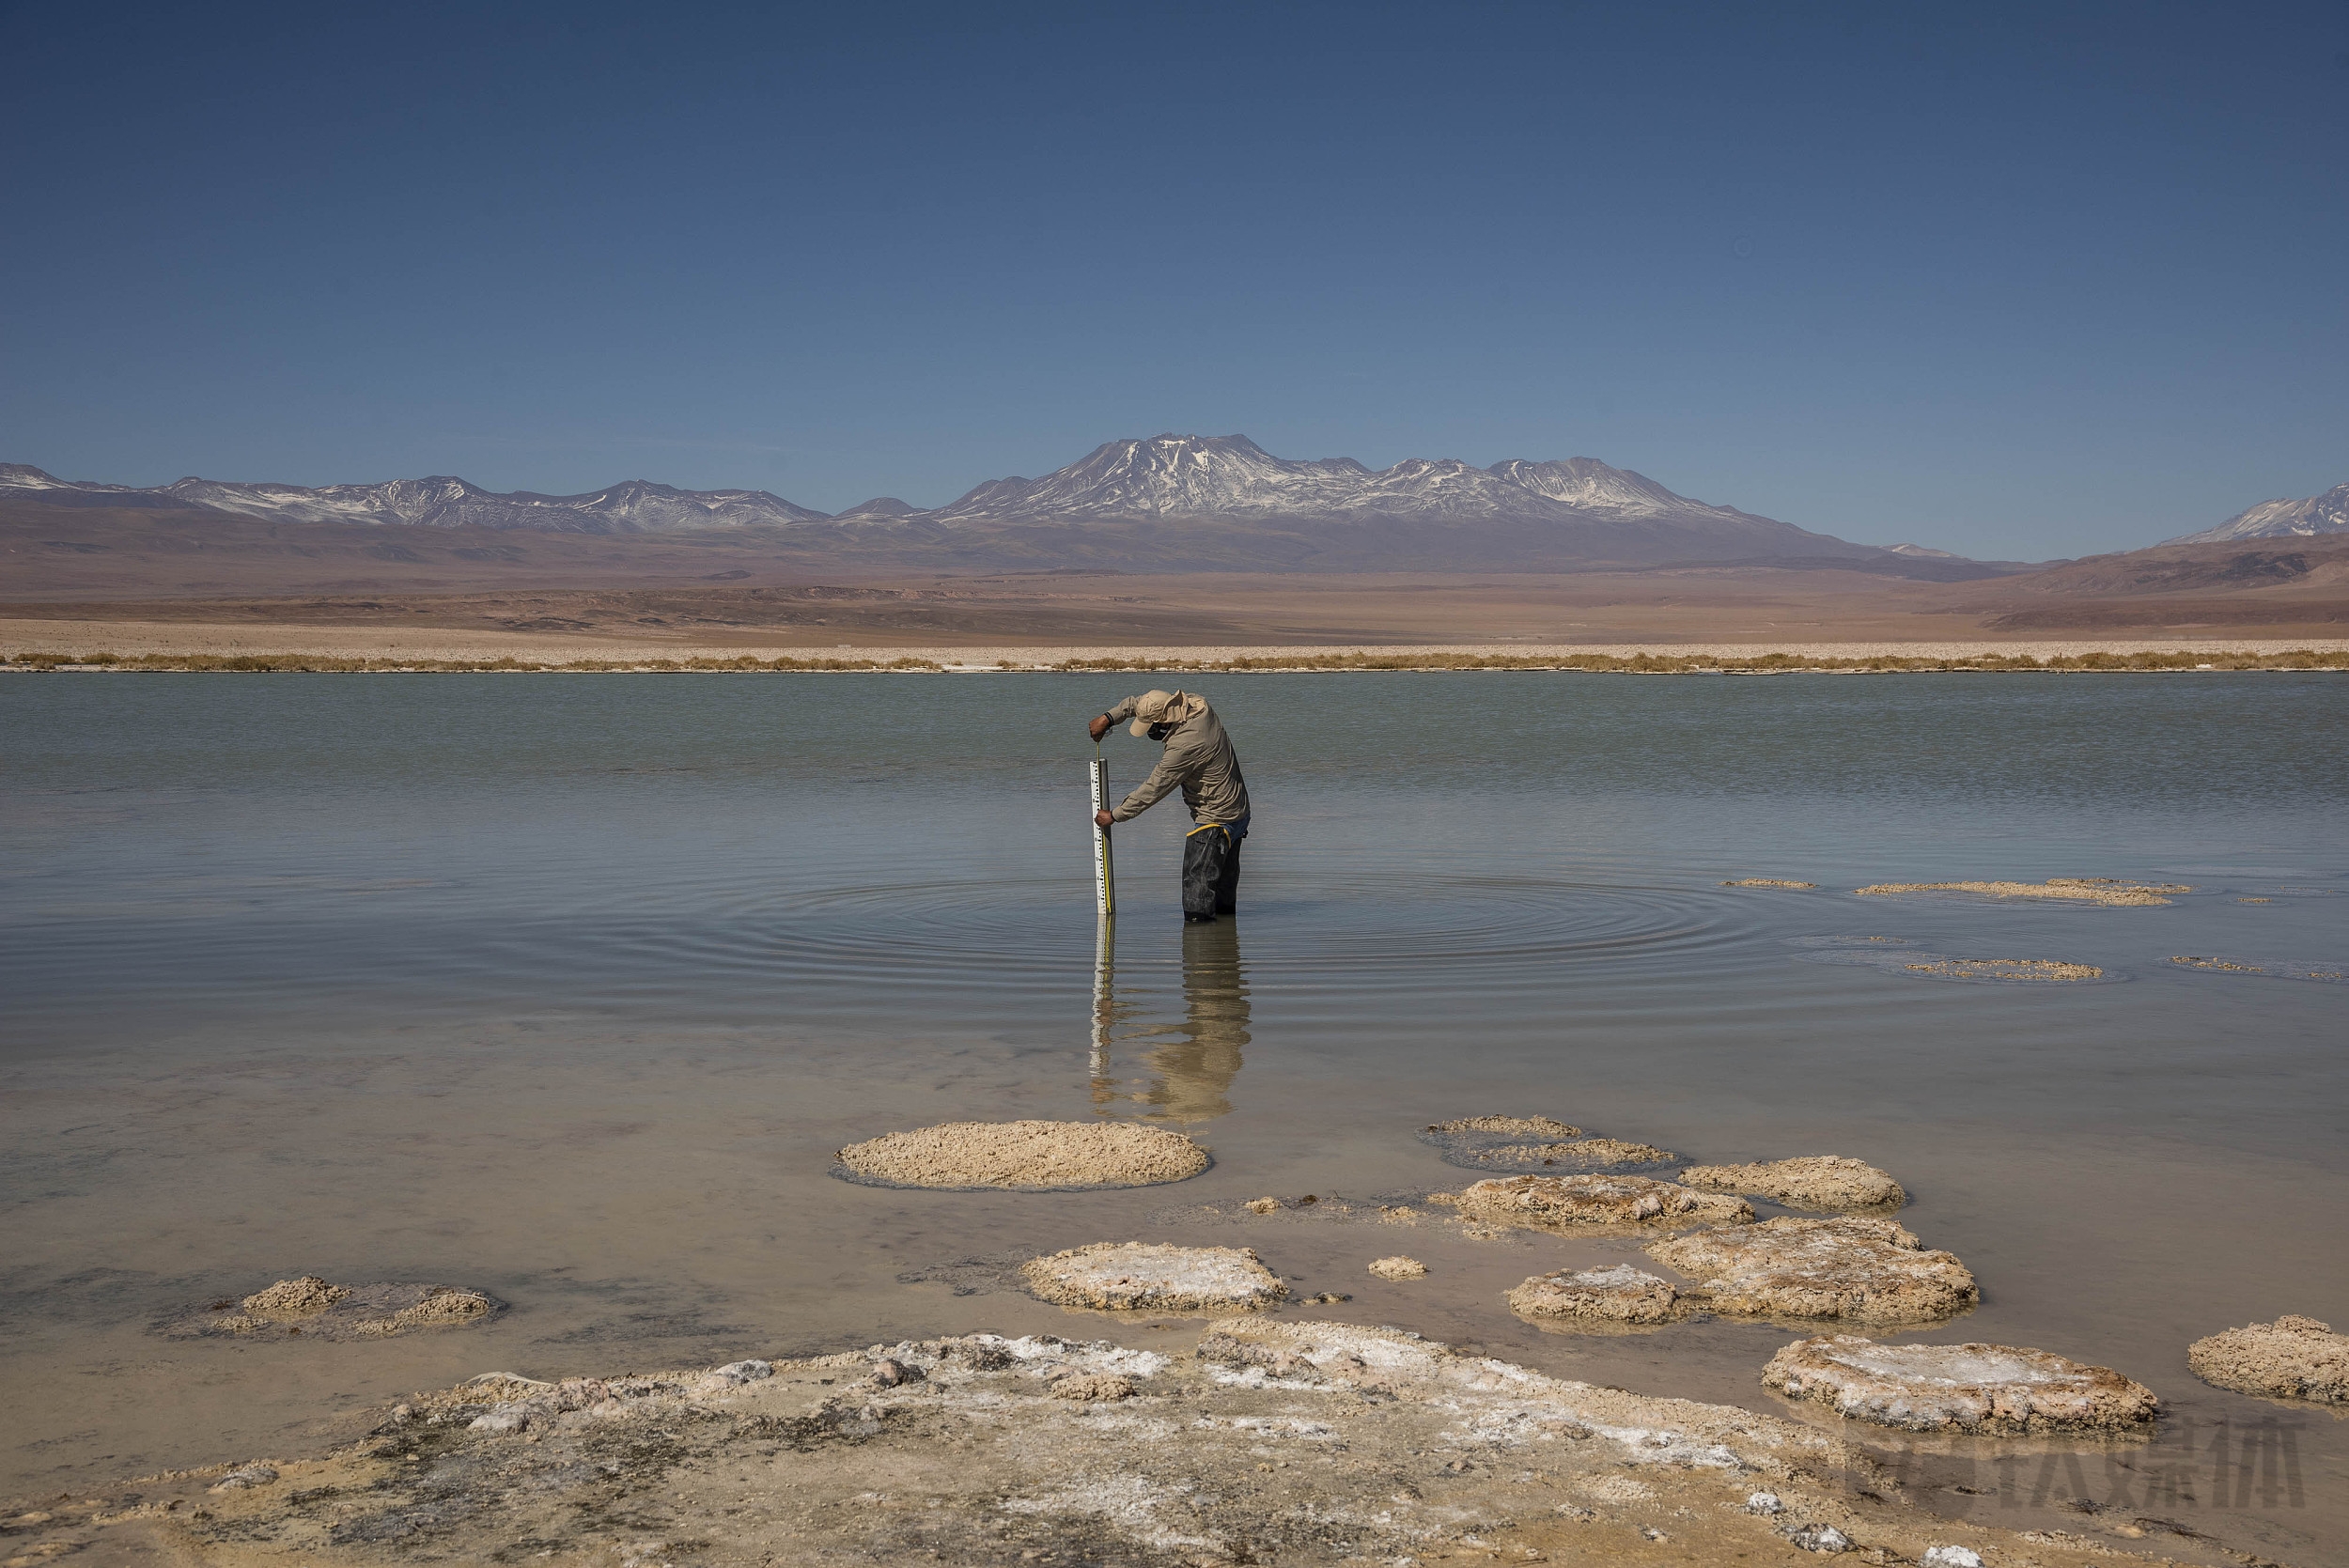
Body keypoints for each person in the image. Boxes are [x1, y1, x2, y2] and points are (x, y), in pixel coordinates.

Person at [1087, 689, 1251, 922]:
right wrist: (1109, 718)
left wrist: (1115, 815)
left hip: (1215, 822)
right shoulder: (1198, 706)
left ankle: (1200, 940)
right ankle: (1225, 941)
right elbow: (1139, 703)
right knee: (1223, 906)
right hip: (1239, 812)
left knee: (1197, 908)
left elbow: (1154, 788)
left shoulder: (1186, 745)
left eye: (1150, 726)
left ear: (1163, 723)